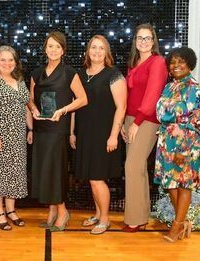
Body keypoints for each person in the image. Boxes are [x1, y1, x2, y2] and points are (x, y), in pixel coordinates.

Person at [29, 31, 88, 232]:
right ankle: (52, 211)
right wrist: (34, 110)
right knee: (45, 172)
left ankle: (63, 212)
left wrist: (62, 111)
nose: (53, 50)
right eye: (50, 46)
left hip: (58, 129)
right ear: (45, 49)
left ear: (63, 50)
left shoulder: (70, 73)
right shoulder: (36, 73)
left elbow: (82, 99)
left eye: (57, 46)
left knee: (55, 172)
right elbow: (29, 99)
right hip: (41, 129)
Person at [70, 35, 127, 234]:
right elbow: (75, 106)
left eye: (101, 48)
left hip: (104, 134)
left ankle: (105, 219)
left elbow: (121, 107)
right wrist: (72, 132)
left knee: (97, 178)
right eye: (93, 47)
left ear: (106, 52)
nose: (96, 51)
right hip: (85, 133)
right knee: (91, 177)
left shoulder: (114, 74)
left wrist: (114, 136)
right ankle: (97, 213)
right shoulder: (80, 74)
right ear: (87, 51)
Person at [154, 47, 200, 242]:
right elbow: (162, 114)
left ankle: (177, 226)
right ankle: (183, 222)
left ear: (190, 63)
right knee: (170, 184)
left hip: (185, 143)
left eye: (181, 61)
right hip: (166, 140)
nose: (176, 65)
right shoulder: (169, 87)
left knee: (184, 184)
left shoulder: (196, 88)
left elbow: (196, 122)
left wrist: (183, 150)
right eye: (173, 62)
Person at [0, 45, 33, 231]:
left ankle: (11, 210)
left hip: (17, 136)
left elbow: (25, 104)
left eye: (11, 60)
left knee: (14, 174)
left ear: (15, 62)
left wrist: (31, 128)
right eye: (3, 60)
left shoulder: (19, 80)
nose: (7, 63)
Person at [121, 23, 168, 232]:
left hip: (147, 120)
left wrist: (137, 122)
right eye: (140, 38)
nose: (144, 41)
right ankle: (140, 217)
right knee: (137, 169)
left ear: (154, 41)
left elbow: (152, 95)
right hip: (131, 119)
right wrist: (124, 121)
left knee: (131, 166)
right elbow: (128, 96)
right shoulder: (133, 63)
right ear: (135, 41)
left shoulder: (158, 62)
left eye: (148, 38)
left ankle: (133, 219)